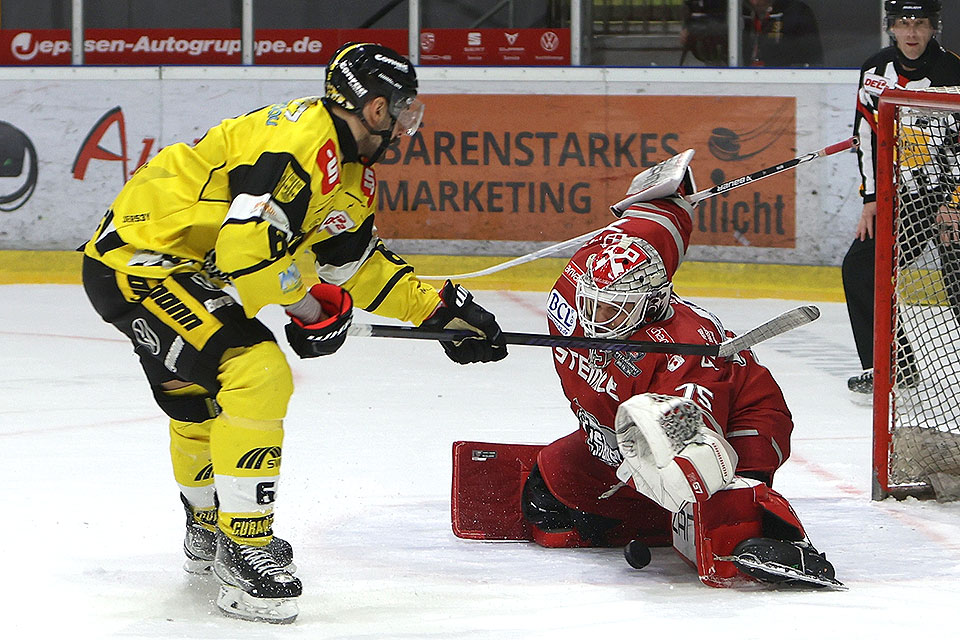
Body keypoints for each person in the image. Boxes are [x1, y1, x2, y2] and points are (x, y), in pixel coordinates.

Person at [81, 42, 507, 624]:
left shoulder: (350, 169)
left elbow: (354, 264)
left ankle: (210, 531)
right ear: (376, 109)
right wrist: (308, 309)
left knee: (201, 402)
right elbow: (243, 250)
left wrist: (440, 315)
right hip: (139, 263)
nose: (409, 124)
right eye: (404, 109)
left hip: (173, 265)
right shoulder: (302, 144)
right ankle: (244, 549)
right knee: (255, 370)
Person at [522, 153, 839, 588]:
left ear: (651, 301)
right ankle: (651, 519)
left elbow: (695, 443)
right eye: (592, 301)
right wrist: (666, 194)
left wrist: (666, 470)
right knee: (546, 495)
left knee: (722, 504)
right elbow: (654, 225)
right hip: (620, 436)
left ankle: (781, 536)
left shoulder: (685, 348)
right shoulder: (581, 281)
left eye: (614, 309)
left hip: (739, 418)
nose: (595, 317)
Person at [842, 0, 960, 401]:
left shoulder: (954, 72)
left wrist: (955, 202)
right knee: (860, 266)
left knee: (956, 280)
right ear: (891, 27)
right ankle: (893, 367)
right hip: (903, 197)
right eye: (904, 23)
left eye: (920, 23)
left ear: (933, 27)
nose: (912, 32)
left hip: (952, 197)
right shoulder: (875, 70)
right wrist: (871, 198)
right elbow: (866, 135)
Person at [680, 0, 823, 67]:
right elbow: (712, 52)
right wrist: (694, 35)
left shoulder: (797, 12)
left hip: (781, 87)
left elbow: (812, 59)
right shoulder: (735, 10)